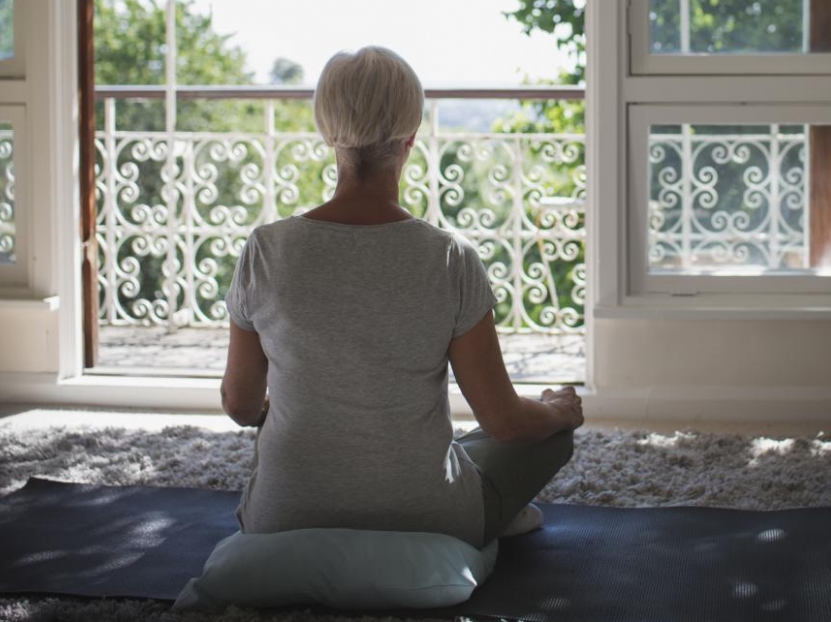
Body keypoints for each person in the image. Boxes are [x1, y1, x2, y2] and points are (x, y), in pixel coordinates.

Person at [220, 46, 584, 549]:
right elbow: (504, 421)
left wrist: (297, 414)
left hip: (280, 519)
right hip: (432, 520)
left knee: (473, 444)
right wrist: (558, 411)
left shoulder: (266, 249)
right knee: (544, 435)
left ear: (328, 133)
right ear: (411, 136)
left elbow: (239, 405)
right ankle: (496, 510)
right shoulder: (451, 257)